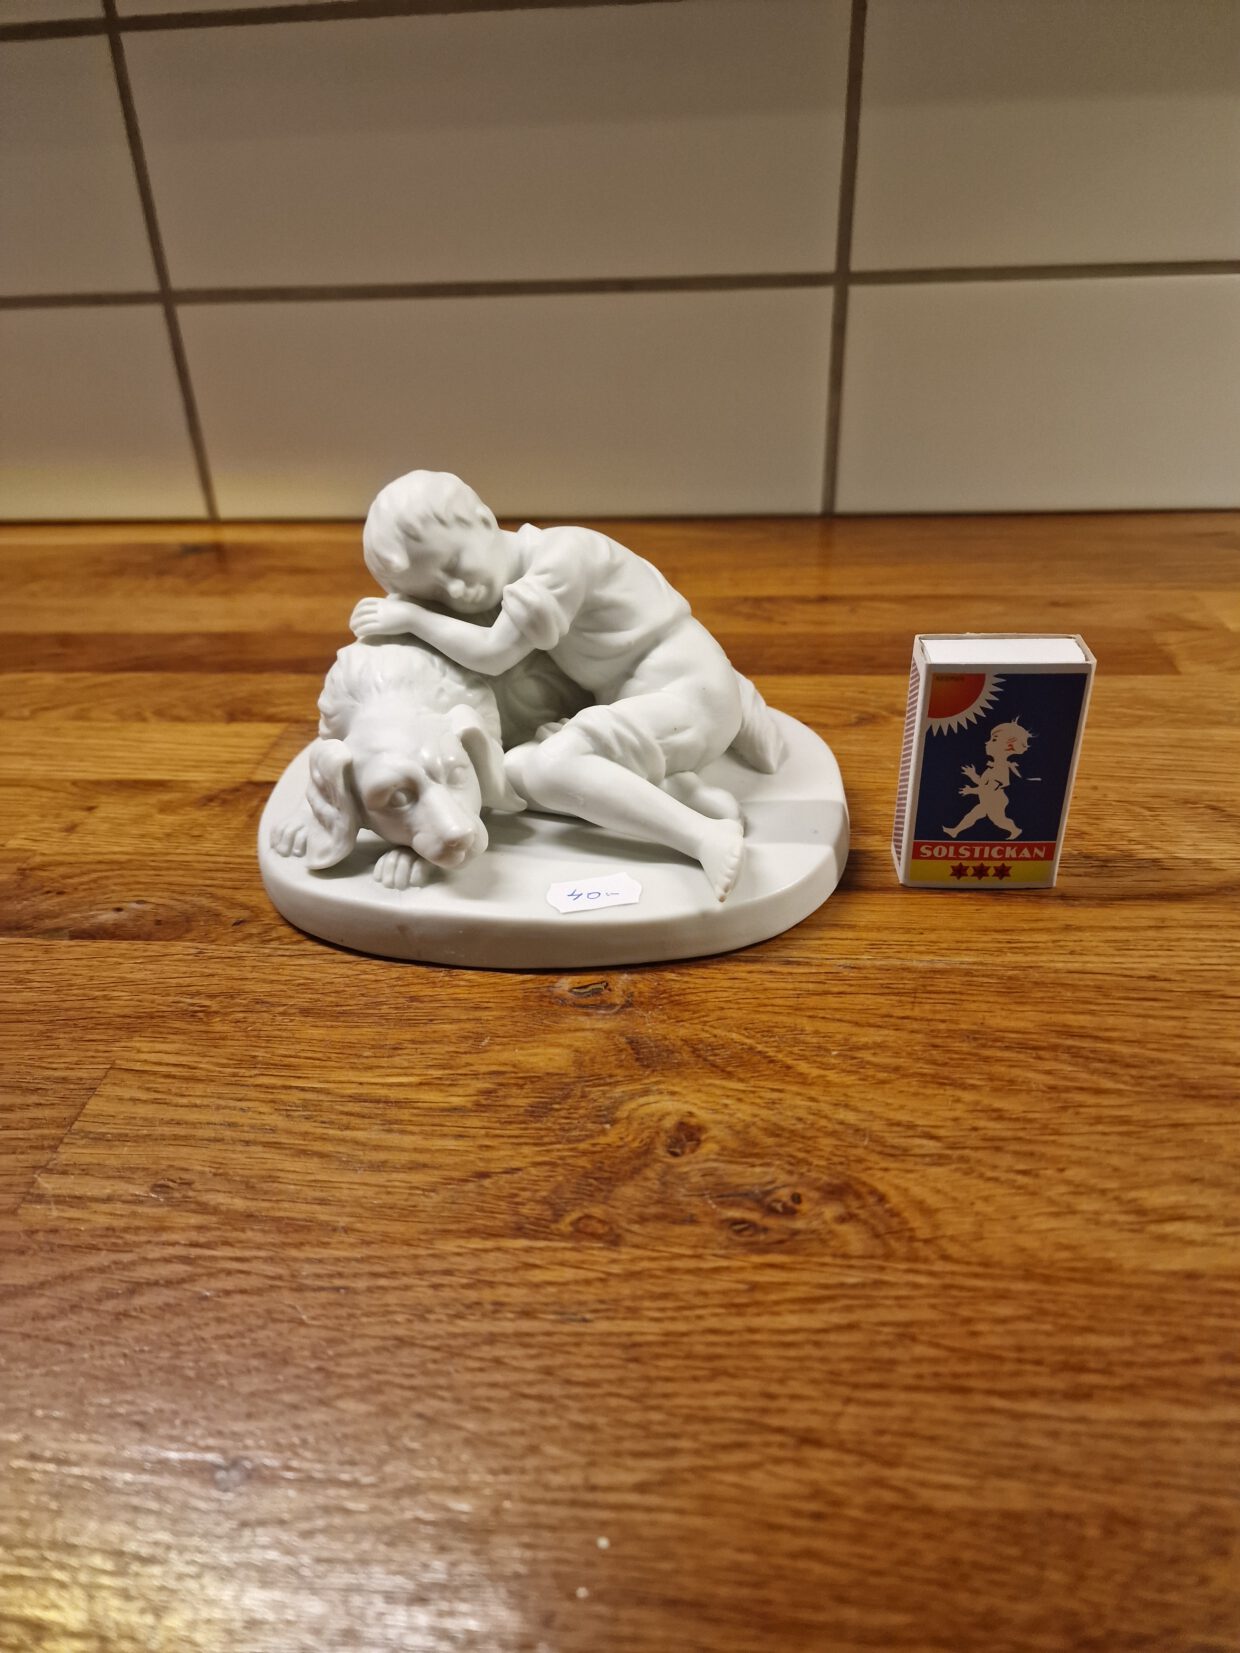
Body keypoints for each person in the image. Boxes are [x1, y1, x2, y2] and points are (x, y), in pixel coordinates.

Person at [350, 471, 783, 900]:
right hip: (634, 706)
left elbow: (494, 653)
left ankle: (704, 835)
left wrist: (414, 618)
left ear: (483, 519)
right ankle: (677, 794)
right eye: (438, 593)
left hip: (687, 696)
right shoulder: (517, 576)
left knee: (552, 765)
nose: (458, 591)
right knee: (512, 771)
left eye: (453, 565)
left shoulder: (562, 557)